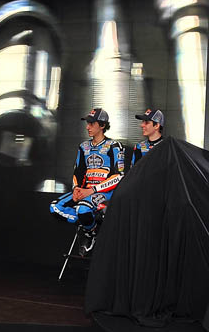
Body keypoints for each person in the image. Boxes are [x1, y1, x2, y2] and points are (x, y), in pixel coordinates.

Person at [50, 108, 124, 252]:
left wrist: (92, 190)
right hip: (85, 191)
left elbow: (118, 176)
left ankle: (89, 231)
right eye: (87, 123)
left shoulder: (114, 146)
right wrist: (76, 189)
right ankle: (91, 227)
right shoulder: (83, 147)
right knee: (55, 207)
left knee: (82, 208)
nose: (87, 127)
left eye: (91, 123)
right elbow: (78, 172)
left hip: (105, 192)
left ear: (102, 125)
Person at [125, 108, 165, 173]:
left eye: (146, 122)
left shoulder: (167, 147)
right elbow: (133, 173)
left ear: (157, 125)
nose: (142, 125)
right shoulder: (139, 147)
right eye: (142, 122)